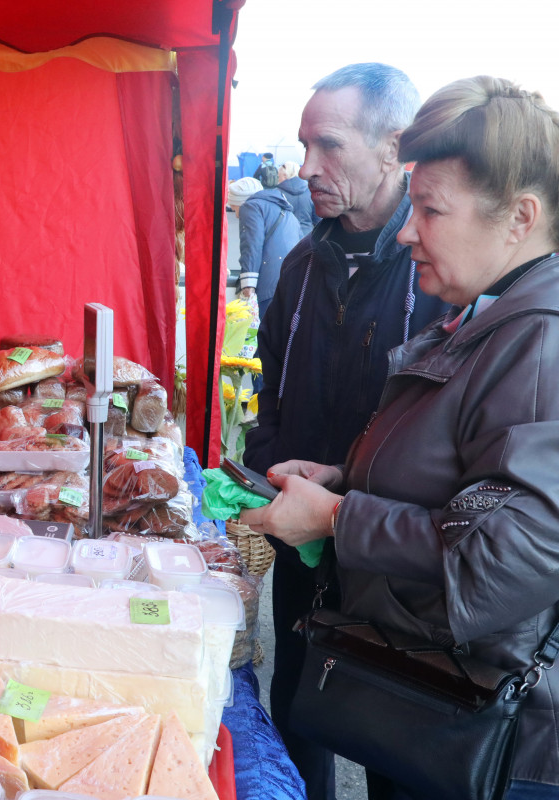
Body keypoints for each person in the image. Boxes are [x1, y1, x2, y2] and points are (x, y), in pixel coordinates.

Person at [241, 74, 559, 800]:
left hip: (480, 723)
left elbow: (504, 563)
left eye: (431, 210)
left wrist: (337, 518)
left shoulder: (541, 340)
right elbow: (461, 480)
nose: (410, 232)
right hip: (421, 686)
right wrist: (343, 477)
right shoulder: (489, 318)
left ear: (520, 217)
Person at [242, 63, 451, 800]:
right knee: (297, 719)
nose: (307, 170)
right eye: (303, 147)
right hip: (302, 550)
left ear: (393, 146)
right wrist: (267, 460)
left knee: (395, 755)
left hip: (395, 576)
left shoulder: (441, 272)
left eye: (329, 146)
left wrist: (356, 510)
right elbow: (268, 383)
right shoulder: (301, 264)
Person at [232, 176, 302, 321]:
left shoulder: (250, 206)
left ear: (241, 201)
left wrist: (248, 286)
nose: (237, 215)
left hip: (268, 284)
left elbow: (251, 245)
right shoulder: (283, 208)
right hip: (291, 280)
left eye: (235, 209)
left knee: (261, 336)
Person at [277, 161, 318, 235]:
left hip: (284, 236)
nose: (278, 179)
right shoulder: (311, 191)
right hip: (307, 236)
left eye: (279, 176)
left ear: (285, 175)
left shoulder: (277, 194)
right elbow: (318, 219)